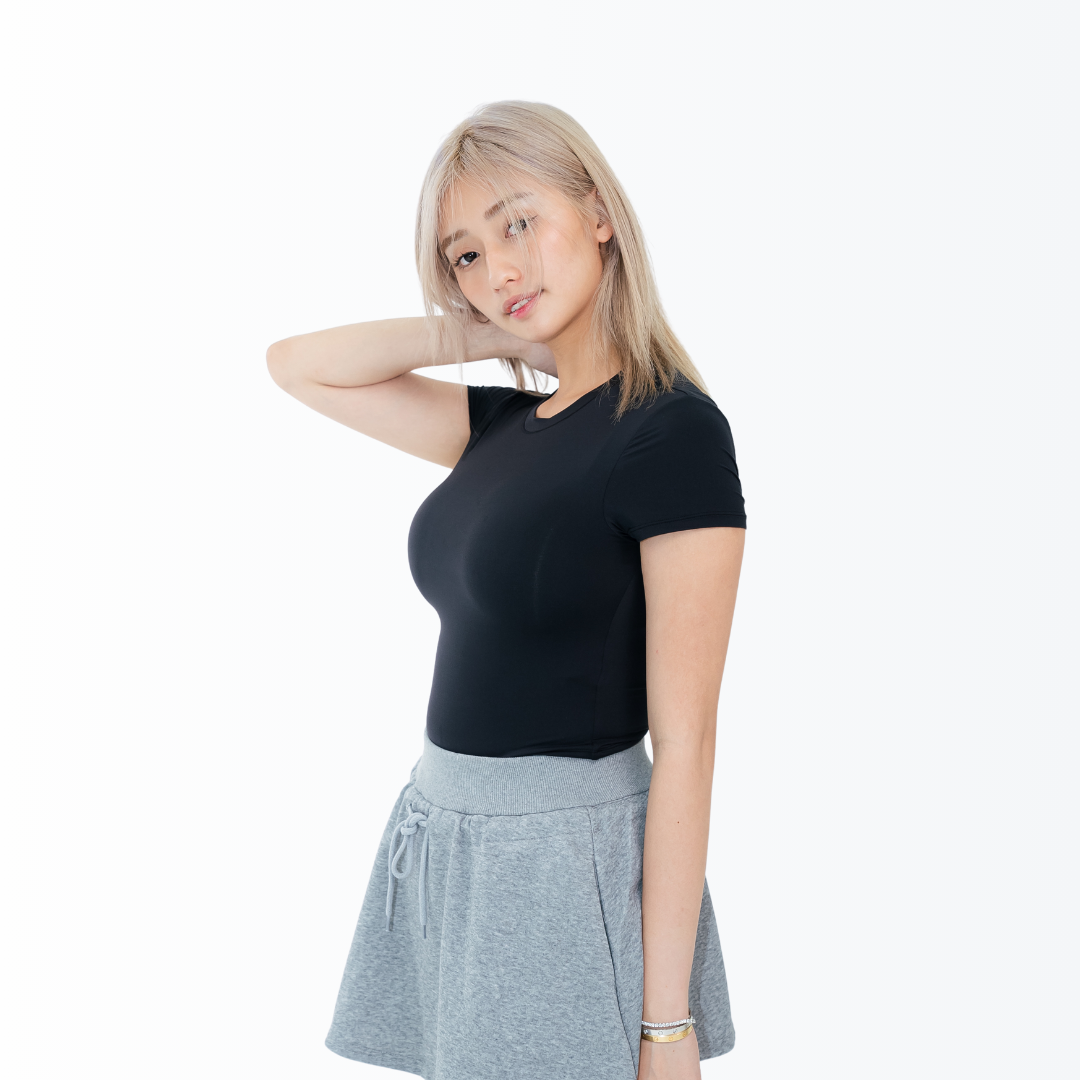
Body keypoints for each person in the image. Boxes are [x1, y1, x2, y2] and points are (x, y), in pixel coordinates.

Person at [266, 100, 746, 1080]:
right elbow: (299, 367)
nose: (499, 270)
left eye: (519, 223)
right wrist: (487, 338)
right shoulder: (500, 428)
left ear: (599, 212)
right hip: (445, 839)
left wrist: (666, 1027)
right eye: (467, 256)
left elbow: (688, 741)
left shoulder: (669, 433)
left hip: (558, 864)